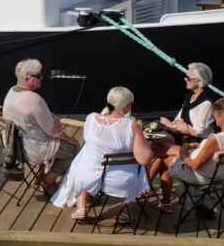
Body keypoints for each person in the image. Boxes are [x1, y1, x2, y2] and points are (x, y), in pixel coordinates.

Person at [50, 87, 153, 223]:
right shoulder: (131, 125)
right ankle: (127, 208)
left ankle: (81, 207)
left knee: (86, 153)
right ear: (127, 106)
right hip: (120, 183)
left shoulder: (91, 118)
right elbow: (144, 159)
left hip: (86, 179)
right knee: (139, 167)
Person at [149, 96, 224, 212]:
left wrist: (184, 155)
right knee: (162, 146)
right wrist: (200, 146)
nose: (213, 115)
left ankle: (155, 195)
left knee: (162, 154)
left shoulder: (215, 139)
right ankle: (148, 189)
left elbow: (195, 165)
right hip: (217, 174)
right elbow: (220, 148)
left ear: (223, 116)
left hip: (198, 175)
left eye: (215, 113)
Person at [1, 58, 80, 194]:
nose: (42, 78)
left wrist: (53, 119)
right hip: (31, 149)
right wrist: (69, 138)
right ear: (27, 79)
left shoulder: (12, 91)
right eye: (38, 76)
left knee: (41, 133)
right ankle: (49, 181)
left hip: (13, 146)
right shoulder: (35, 100)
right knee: (72, 149)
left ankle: (39, 174)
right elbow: (53, 132)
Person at [159, 62, 218, 144]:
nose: (185, 79)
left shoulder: (207, 102)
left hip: (196, 142)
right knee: (155, 140)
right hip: (182, 136)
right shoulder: (189, 96)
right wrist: (179, 122)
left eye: (188, 77)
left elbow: (198, 132)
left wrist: (173, 125)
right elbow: (178, 118)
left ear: (199, 80)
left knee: (158, 144)